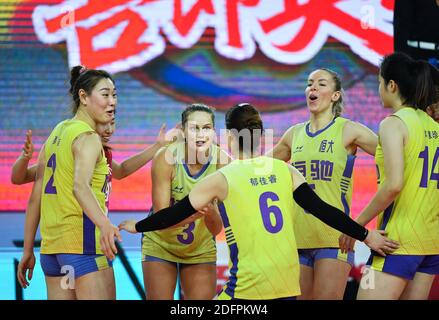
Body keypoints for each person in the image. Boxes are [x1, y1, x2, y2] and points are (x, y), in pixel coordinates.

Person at [119, 103, 399, 300]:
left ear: (228, 137)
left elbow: (171, 214)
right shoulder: (285, 170)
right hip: (288, 289)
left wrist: (137, 225)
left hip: (246, 289)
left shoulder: (222, 177)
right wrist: (365, 235)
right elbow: (323, 210)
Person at [14, 116, 171, 292]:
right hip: (83, 245)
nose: (109, 129)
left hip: (54, 248)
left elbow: (122, 170)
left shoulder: (87, 151)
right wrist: (24, 158)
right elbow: (24, 181)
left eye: (112, 123)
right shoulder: (77, 148)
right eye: (103, 123)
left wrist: (157, 147)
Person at [266, 68, 378, 299]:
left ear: (335, 95)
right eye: (309, 83)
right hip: (297, 240)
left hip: (335, 238)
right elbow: (255, 168)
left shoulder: (349, 129)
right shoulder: (293, 134)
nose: (313, 88)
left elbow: (393, 155)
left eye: (321, 83)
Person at [339, 52, 439, 300]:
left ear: (392, 85)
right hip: (431, 244)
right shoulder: (434, 126)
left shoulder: (393, 123)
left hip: (395, 242)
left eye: (379, 83)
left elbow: (394, 184)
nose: (378, 89)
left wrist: (355, 226)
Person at [16, 66, 121, 300]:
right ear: (83, 97)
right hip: (84, 248)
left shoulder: (57, 132)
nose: (112, 101)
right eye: (105, 94)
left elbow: (35, 197)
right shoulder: (88, 137)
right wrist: (104, 224)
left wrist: (27, 250)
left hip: (53, 253)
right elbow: (80, 186)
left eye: (114, 94)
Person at [140, 103, 230, 300]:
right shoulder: (166, 157)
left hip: (200, 247)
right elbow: (162, 220)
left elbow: (216, 230)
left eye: (206, 128)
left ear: (213, 132)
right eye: (194, 128)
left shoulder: (223, 162)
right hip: (161, 243)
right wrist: (196, 213)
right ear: (183, 131)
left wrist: (212, 214)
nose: (200, 134)